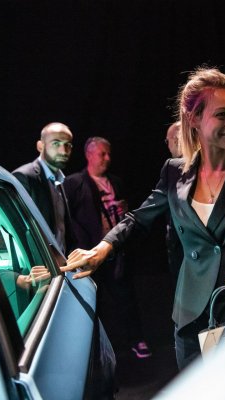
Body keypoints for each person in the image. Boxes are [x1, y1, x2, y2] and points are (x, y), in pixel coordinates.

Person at [61, 67, 225, 370]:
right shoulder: (174, 171)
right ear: (194, 119)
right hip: (190, 315)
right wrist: (101, 249)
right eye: (221, 115)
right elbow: (138, 219)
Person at [63, 137, 151, 359]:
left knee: (125, 297)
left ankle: (135, 340)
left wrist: (123, 210)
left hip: (114, 251)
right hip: (88, 251)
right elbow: (66, 218)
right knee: (92, 301)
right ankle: (93, 348)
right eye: (102, 154)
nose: (107, 158)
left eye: (109, 154)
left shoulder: (115, 182)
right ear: (89, 155)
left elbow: (128, 214)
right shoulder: (74, 183)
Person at [13, 122, 75, 255]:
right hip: (37, 264)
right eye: (56, 143)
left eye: (68, 145)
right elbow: (18, 229)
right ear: (40, 146)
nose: (63, 151)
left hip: (60, 263)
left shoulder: (60, 181)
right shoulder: (24, 176)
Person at [164, 121, 183, 283]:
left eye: (167, 141)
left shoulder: (174, 169)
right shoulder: (171, 170)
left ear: (176, 140)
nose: (168, 146)